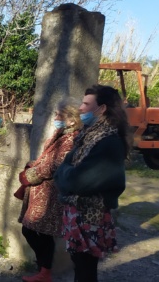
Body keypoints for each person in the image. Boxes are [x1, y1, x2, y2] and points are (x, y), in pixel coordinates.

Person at [54, 85, 128, 282]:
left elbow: (77, 180)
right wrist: (66, 172)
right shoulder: (88, 134)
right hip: (79, 213)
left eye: (86, 104)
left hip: (90, 217)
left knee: (86, 268)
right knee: (80, 264)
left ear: (101, 108)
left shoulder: (107, 141)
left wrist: (66, 173)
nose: (80, 108)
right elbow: (64, 169)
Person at [15, 99, 82, 282]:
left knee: (36, 231)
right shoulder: (60, 134)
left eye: (59, 115)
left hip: (51, 194)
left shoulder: (72, 139)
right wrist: (34, 164)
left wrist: (29, 175)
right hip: (43, 193)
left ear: (71, 120)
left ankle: (44, 272)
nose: (55, 117)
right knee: (35, 231)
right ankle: (43, 270)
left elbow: (53, 166)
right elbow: (47, 159)